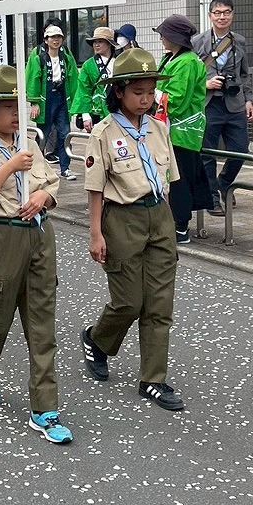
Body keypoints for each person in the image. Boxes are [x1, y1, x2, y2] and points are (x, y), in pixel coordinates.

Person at [0, 65, 71, 444]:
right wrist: (8, 166)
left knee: (42, 322)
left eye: (21, 106)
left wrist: (43, 196)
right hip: (3, 235)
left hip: (40, 233)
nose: (17, 114)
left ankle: (45, 408)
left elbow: (51, 180)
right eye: (9, 107)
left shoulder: (29, 143)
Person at [81, 47, 184, 411]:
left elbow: (167, 179)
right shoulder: (104, 133)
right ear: (120, 91)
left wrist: (167, 221)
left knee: (159, 303)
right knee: (129, 302)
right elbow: (95, 186)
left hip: (158, 216)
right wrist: (96, 234)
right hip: (121, 219)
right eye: (138, 91)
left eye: (150, 91)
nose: (146, 98)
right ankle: (97, 340)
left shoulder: (159, 128)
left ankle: (153, 379)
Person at [191, 0, 253, 216]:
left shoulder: (240, 41)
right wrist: (204, 84)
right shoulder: (197, 42)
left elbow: (245, 74)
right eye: (217, 13)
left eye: (226, 12)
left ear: (232, 14)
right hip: (208, 103)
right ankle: (212, 198)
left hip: (234, 103)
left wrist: (248, 99)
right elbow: (188, 75)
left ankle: (224, 182)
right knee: (206, 153)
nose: (222, 17)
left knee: (240, 149)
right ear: (210, 16)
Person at [155, 14, 210, 244]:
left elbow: (176, 102)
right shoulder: (174, 58)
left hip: (182, 130)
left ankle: (181, 227)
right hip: (173, 129)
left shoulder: (186, 62)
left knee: (180, 179)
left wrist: (151, 94)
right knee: (174, 177)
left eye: (163, 35)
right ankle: (175, 223)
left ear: (174, 37)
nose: (161, 39)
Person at [25, 25, 78, 180]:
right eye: (52, 37)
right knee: (43, 134)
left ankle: (65, 168)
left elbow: (73, 79)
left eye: (59, 37)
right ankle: (36, 167)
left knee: (65, 133)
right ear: (46, 40)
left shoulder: (66, 58)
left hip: (62, 99)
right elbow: (33, 79)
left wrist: (75, 103)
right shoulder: (38, 58)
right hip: (45, 100)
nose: (56, 40)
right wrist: (34, 102)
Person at [73, 26, 117, 132]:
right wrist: (85, 115)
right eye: (94, 42)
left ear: (109, 44)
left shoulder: (119, 62)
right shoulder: (88, 65)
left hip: (116, 110)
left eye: (100, 41)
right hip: (97, 111)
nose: (96, 45)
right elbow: (83, 90)